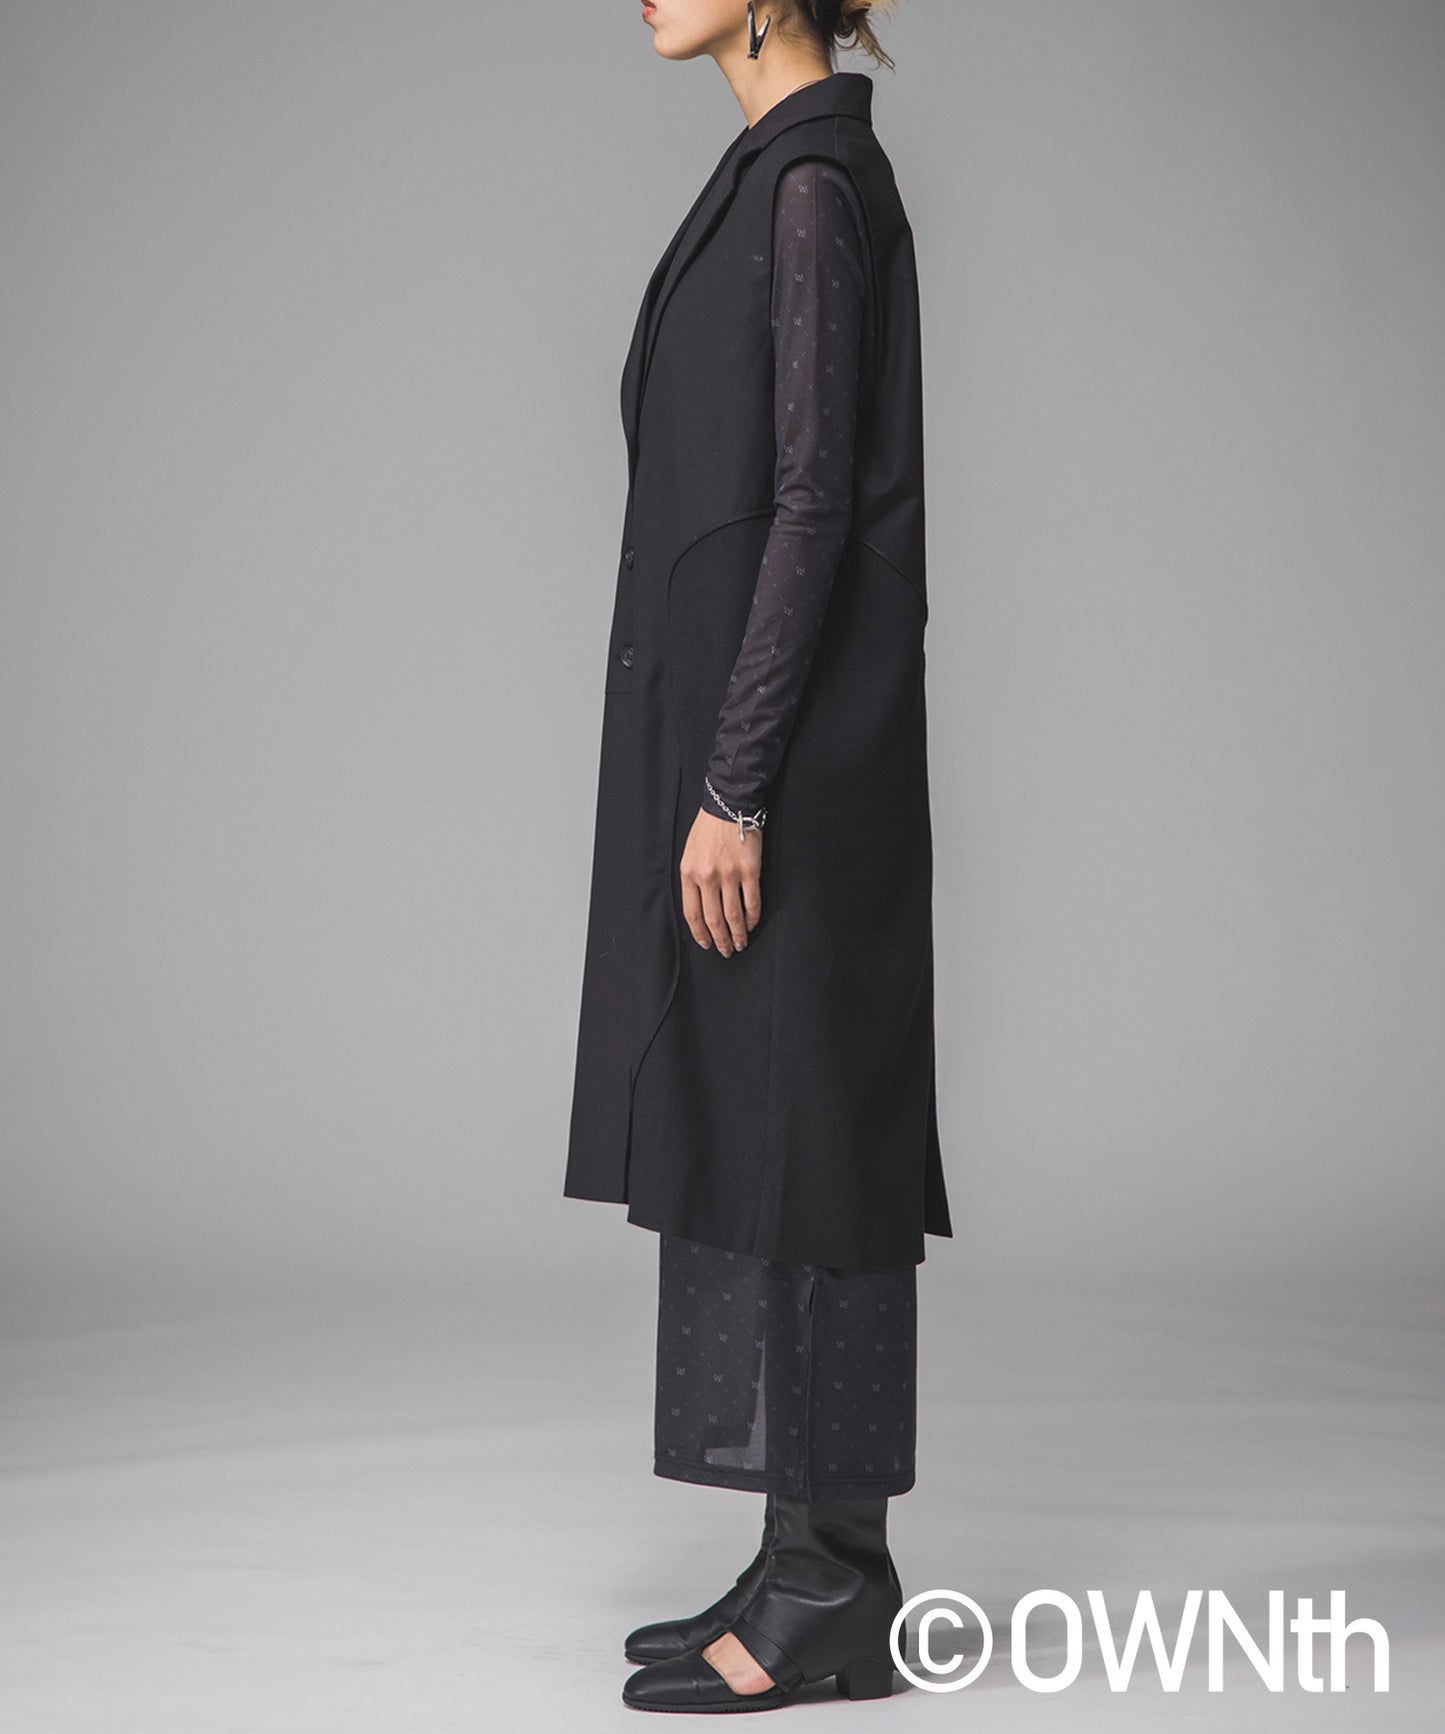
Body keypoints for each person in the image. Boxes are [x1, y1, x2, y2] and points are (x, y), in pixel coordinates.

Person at [563, 0, 952, 1712]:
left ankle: (830, 1586)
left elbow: (815, 502)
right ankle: (801, 1553)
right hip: (761, 747)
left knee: (811, 1144)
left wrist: (734, 784)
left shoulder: (808, 187)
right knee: (763, 1130)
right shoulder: (776, 172)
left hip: (785, 767)